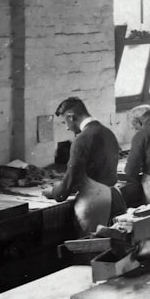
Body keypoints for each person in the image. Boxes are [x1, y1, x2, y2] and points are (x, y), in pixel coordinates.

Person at [42, 97, 126, 236]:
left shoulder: (82, 138)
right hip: (115, 197)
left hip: (95, 203)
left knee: (90, 249)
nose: (67, 128)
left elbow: (71, 182)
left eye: (65, 122)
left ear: (71, 116)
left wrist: (53, 191)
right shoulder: (107, 132)